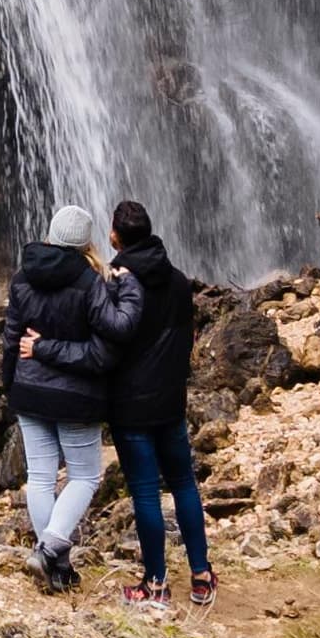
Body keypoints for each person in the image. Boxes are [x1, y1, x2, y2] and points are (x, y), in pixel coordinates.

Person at [89, 196, 211, 608]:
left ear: (115, 235)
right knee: (183, 484)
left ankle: (155, 585)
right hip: (171, 401)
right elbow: (186, 338)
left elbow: (109, 340)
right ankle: (202, 576)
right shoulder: (177, 280)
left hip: (131, 405)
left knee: (144, 492)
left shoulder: (117, 281)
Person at [0, 203, 114, 593]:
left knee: (41, 478)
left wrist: (10, 384)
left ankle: (55, 566)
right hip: (74, 395)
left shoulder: (21, 278)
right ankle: (49, 551)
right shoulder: (91, 283)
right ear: (85, 243)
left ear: (50, 234)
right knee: (84, 476)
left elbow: (11, 339)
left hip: (29, 390)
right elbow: (101, 352)